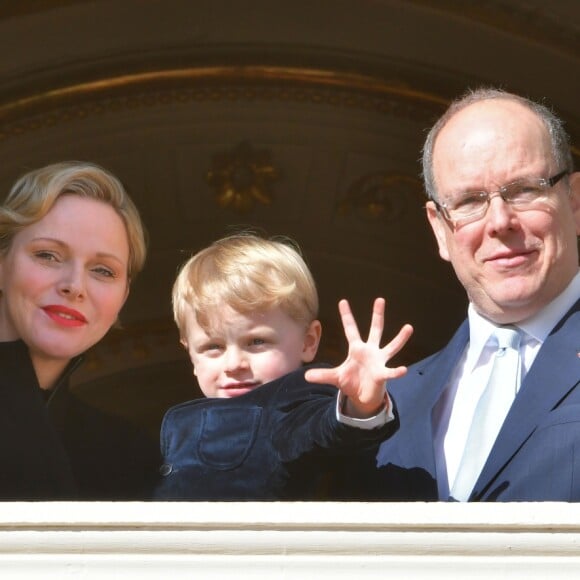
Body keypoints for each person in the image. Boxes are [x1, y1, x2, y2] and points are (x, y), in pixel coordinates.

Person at [314, 87, 579, 502]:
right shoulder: (389, 404)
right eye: (471, 201)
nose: (500, 222)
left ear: (575, 200)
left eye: (525, 189)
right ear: (439, 228)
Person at [154, 233, 413, 500]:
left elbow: (321, 430)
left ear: (308, 342)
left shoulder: (295, 399)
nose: (233, 364)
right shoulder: (176, 424)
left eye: (256, 341)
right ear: (191, 355)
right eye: (213, 347)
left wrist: (358, 406)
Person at [0, 160, 159, 500]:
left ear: (124, 296)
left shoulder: (127, 455)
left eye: (103, 271)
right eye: (48, 255)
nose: (75, 286)